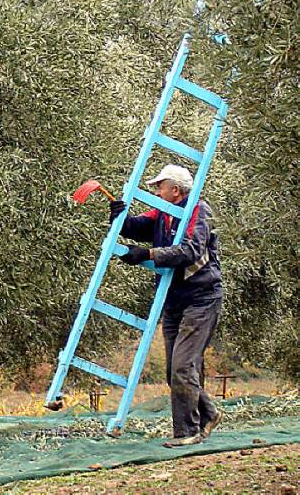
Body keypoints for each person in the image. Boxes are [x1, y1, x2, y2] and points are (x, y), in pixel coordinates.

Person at [110, 164, 223, 447]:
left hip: (201, 298)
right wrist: (118, 215)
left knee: (183, 366)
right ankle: (208, 414)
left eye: (159, 187)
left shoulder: (198, 211)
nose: (155, 191)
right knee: (174, 369)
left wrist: (148, 253)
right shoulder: (163, 213)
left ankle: (188, 433)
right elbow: (138, 226)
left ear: (175, 190)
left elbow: (191, 251)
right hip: (173, 299)